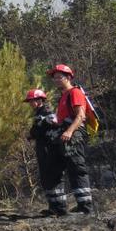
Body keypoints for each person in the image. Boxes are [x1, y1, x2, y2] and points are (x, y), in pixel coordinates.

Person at [45, 64, 93, 214]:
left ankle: (86, 207)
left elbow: (81, 116)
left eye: (60, 77)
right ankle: (77, 205)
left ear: (69, 77)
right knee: (69, 169)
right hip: (65, 134)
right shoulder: (63, 96)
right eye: (55, 78)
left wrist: (70, 131)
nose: (57, 80)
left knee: (77, 168)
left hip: (74, 134)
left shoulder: (75, 93)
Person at [23, 88, 66, 215]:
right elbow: (38, 130)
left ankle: (60, 207)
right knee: (46, 177)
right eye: (30, 101)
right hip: (43, 148)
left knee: (54, 176)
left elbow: (55, 123)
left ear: (40, 100)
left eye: (33, 100)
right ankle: (53, 207)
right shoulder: (38, 113)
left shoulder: (47, 111)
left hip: (51, 148)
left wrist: (41, 126)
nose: (31, 103)